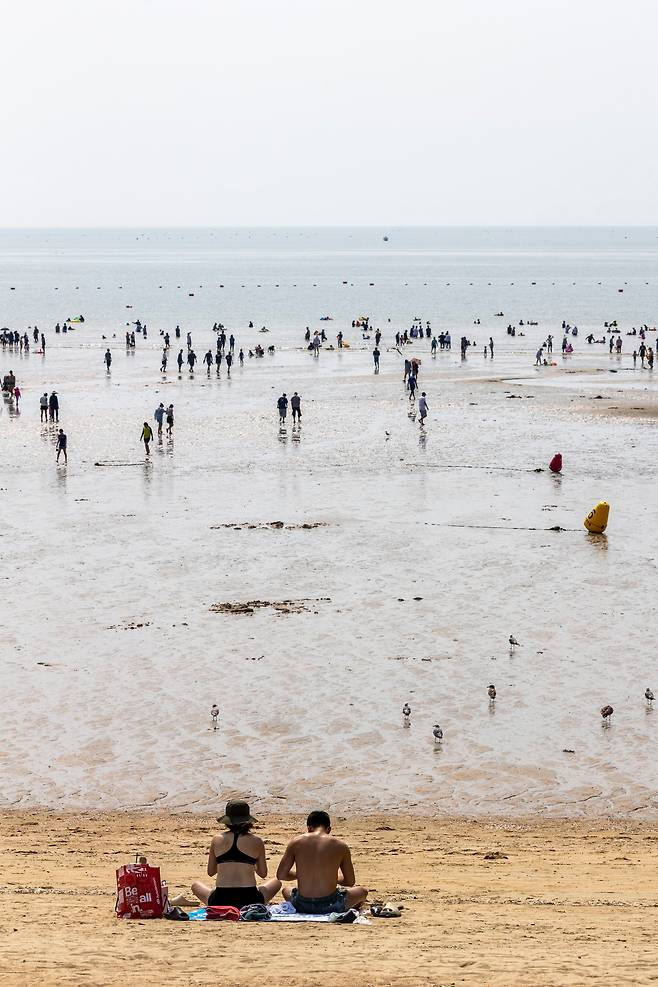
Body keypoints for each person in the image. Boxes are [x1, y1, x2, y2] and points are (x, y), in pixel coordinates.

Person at [190, 800, 281, 908]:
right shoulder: (257, 841)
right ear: (248, 820)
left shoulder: (217, 839)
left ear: (227, 820)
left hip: (220, 899)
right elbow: (263, 873)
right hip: (250, 899)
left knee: (195, 885)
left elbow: (211, 872)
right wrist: (250, 863)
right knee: (277, 882)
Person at [277, 810, 367, 915]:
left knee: (286, 890)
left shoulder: (296, 842)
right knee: (362, 892)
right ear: (328, 829)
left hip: (302, 905)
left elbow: (281, 875)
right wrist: (329, 878)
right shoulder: (341, 846)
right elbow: (350, 881)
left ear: (309, 828)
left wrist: (302, 875)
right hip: (331, 905)